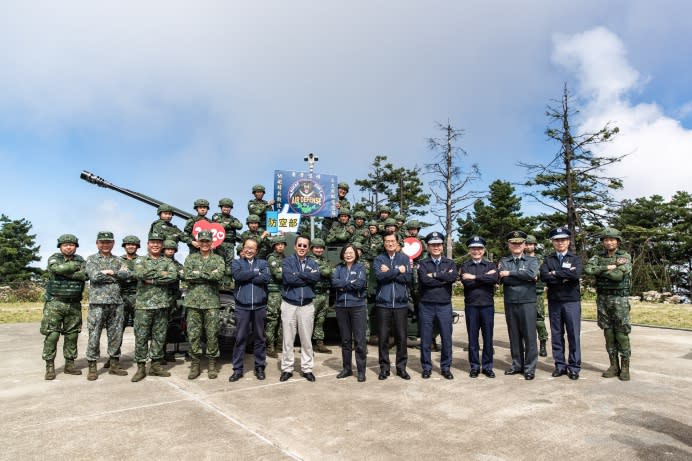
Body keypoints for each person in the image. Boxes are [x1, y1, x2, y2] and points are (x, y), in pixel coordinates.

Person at [584, 228, 633, 381]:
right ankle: (613, 365)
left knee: (621, 333)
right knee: (608, 332)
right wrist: (607, 268)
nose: (609, 242)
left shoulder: (624, 256)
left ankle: (625, 367)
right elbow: (588, 269)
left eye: (612, 239)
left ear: (618, 241)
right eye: (606, 239)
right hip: (603, 299)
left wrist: (599, 272)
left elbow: (618, 276)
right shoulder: (598, 257)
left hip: (619, 300)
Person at [131, 232, 178, 382]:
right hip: (144, 305)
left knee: (159, 336)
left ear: (162, 245)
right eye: (152, 242)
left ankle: (156, 365)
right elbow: (139, 274)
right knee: (141, 337)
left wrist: (152, 279)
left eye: (158, 242)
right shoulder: (140, 260)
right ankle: (141, 367)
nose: (155, 245)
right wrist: (161, 275)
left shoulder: (168, 261)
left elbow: (172, 276)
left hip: (162, 304)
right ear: (148, 245)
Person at [41, 234, 87, 380]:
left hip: (73, 304)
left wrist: (65, 272)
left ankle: (70, 364)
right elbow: (56, 270)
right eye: (65, 245)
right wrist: (73, 269)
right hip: (55, 303)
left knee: (72, 335)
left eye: (72, 244)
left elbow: (85, 275)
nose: (69, 247)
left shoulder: (81, 259)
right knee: (52, 335)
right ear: (60, 246)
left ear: (76, 246)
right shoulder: (54, 258)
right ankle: (50, 366)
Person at [85, 231, 130, 380]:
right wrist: (113, 275)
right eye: (102, 242)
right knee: (94, 334)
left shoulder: (118, 260)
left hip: (116, 303)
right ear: (97, 243)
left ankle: (114, 364)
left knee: (116, 334)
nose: (105, 245)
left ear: (113, 243)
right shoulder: (91, 260)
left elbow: (126, 275)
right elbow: (94, 276)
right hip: (98, 303)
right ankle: (92, 365)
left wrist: (111, 272)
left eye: (108, 242)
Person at [540, 227, 583, 380]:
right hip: (555, 301)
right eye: (557, 240)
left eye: (563, 240)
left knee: (573, 334)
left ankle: (574, 366)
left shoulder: (575, 258)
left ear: (568, 241)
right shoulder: (548, 259)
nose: (560, 243)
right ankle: (560, 365)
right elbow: (544, 276)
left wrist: (555, 273)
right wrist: (564, 275)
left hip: (571, 301)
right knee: (557, 334)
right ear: (553, 242)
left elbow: (576, 274)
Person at [182, 231, 224, 379]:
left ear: (212, 243)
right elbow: (186, 275)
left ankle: (212, 364)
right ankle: (195, 364)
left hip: (211, 302)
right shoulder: (190, 258)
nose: (205, 244)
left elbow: (218, 276)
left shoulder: (218, 259)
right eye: (202, 241)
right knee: (193, 335)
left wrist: (198, 273)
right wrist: (208, 274)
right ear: (198, 243)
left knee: (212, 334)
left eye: (207, 241)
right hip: (193, 302)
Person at [498, 231, 539, 380]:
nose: (516, 245)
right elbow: (502, 279)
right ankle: (516, 365)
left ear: (524, 245)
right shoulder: (504, 261)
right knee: (514, 335)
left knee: (529, 336)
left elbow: (531, 274)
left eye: (519, 243)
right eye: (513, 243)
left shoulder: (532, 261)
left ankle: (529, 368)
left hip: (527, 301)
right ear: (509, 245)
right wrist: (521, 276)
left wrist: (509, 274)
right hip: (511, 301)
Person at [279, 235, 321, 382]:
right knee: (288, 339)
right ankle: (287, 368)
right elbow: (288, 278)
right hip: (289, 304)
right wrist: (307, 277)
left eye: (305, 246)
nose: (302, 248)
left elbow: (316, 278)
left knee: (306, 340)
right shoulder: (287, 261)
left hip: (307, 305)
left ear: (308, 248)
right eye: (300, 245)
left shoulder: (313, 262)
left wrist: (299, 275)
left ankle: (307, 368)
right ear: (295, 246)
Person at [229, 238, 271, 381]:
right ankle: (237, 369)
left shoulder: (263, 263)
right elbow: (238, 276)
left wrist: (250, 274)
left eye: (252, 248)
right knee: (240, 338)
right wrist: (255, 273)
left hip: (259, 306)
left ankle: (259, 367)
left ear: (256, 251)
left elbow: (266, 278)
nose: (249, 250)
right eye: (247, 247)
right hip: (242, 306)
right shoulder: (236, 263)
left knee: (259, 338)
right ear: (243, 248)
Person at [417, 232, 457, 380]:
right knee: (426, 338)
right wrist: (443, 277)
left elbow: (452, 278)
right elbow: (424, 281)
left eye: (438, 245)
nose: (436, 247)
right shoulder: (422, 263)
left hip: (444, 305)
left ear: (442, 247)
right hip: (426, 305)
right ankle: (426, 367)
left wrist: (433, 275)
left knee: (446, 338)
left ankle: (446, 367)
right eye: (433, 245)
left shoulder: (450, 263)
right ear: (428, 247)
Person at [374, 233, 413, 380]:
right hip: (383, 304)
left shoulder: (405, 259)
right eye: (387, 241)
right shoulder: (379, 259)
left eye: (392, 241)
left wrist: (389, 272)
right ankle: (384, 368)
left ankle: (401, 368)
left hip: (401, 304)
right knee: (383, 338)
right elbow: (379, 277)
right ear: (384, 243)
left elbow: (408, 278)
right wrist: (397, 271)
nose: (390, 243)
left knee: (401, 337)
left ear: (397, 243)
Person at [459, 236, 498, 378]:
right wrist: (484, 278)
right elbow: (467, 283)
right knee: (473, 338)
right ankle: (474, 366)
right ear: (469, 250)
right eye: (474, 249)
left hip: (487, 306)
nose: (477, 251)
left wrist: (474, 277)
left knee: (488, 338)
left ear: (484, 250)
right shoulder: (465, 266)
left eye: (479, 248)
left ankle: (487, 366)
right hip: (472, 306)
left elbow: (494, 279)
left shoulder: (491, 265)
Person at [331, 244, 368, 381]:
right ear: (342, 254)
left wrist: (343, 285)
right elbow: (334, 283)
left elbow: (360, 284)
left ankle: (361, 370)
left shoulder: (361, 267)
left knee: (359, 340)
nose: (348, 254)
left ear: (356, 254)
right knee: (345, 340)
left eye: (351, 252)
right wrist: (349, 283)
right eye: (346, 252)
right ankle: (347, 368)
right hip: (341, 307)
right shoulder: (338, 268)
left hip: (357, 307)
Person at [106, 234, 139, 371]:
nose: (131, 246)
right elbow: (111, 274)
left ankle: (140, 355)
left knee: (140, 329)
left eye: (133, 244)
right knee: (117, 328)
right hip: (120, 296)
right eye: (128, 244)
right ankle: (113, 357)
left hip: (137, 296)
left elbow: (141, 274)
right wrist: (120, 274)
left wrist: (123, 274)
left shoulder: (142, 260)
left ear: (137, 246)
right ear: (124, 246)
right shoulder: (117, 260)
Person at [525, 235, 549, 357]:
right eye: (527, 244)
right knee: (524, 320)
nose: (529, 246)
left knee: (539, 319)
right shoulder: (520, 259)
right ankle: (526, 344)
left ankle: (543, 344)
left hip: (537, 292)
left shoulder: (540, 259)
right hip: (523, 292)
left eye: (531, 244)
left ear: (535, 245)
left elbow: (543, 273)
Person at [310, 238, 333, 354]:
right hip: (314, 294)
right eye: (316, 247)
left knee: (321, 319)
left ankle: (319, 344)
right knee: (309, 320)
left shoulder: (324, 260)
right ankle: (308, 344)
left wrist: (330, 270)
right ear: (312, 249)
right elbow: (327, 272)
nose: (319, 250)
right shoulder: (311, 260)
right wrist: (330, 270)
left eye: (321, 248)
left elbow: (330, 272)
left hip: (325, 293)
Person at [212, 197, 243, 284]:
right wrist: (231, 225)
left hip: (230, 244)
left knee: (229, 264)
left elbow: (240, 226)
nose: (226, 209)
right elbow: (218, 224)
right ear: (221, 207)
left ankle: (227, 283)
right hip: (219, 243)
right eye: (224, 207)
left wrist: (227, 224)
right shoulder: (216, 216)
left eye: (228, 207)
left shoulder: (233, 218)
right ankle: (217, 283)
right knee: (218, 262)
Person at [265, 235, 287, 358]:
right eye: (278, 244)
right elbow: (278, 275)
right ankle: (270, 346)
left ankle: (279, 345)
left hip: (284, 291)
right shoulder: (272, 258)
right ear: (274, 246)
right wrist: (290, 273)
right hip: (274, 292)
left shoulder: (284, 258)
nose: (280, 246)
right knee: (272, 319)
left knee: (283, 319)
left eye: (282, 244)